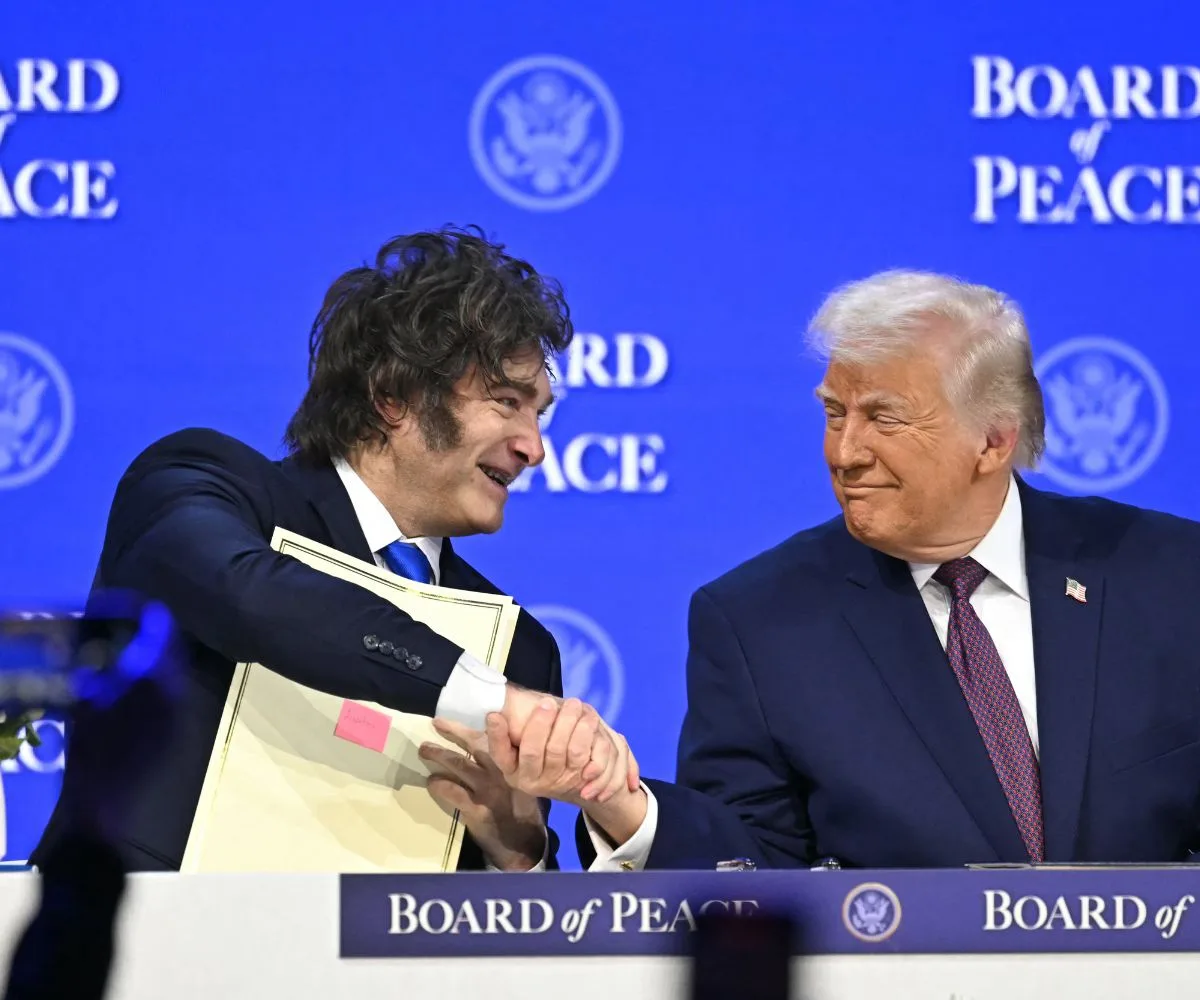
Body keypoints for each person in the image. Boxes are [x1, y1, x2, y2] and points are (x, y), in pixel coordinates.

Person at [470, 269, 1200, 869]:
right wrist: (618, 802)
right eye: (832, 414)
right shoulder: (762, 623)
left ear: (993, 440)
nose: (845, 453)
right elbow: (749, 867)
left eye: (883, 419)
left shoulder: (1168, 577)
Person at [32, 226, 633, 875]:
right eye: (507, 402)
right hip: (140, 959)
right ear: (393, 396)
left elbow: (511, 943)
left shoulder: (519, 647)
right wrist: (490, 700)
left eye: (540, 415)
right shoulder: (207, 486)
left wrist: (517, 849)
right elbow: (251, 596)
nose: (534, 447)